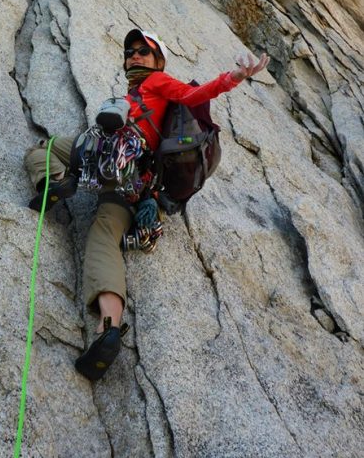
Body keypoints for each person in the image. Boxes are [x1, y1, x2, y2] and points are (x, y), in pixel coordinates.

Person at [24, 29, 269, 380]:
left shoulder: (157, 82)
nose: (134, 56)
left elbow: (192, 93)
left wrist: (233, 77)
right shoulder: (141, 92)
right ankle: (108, 327)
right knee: (104, 238)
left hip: (109, 154)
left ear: (158, 60)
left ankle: (56, 182)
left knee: (43, 150)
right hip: (135, 184)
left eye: (144, 51)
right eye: (130, 52)